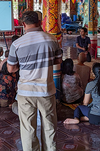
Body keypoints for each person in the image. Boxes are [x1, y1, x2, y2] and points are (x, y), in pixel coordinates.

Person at [7, 11, 62, 151]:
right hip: (46, 90)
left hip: (26, 92)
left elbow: (11, 69)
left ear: (23, 24)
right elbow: (58, 60)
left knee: (28, 129)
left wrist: (24, 64)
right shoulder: (51, 39)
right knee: (49, 127)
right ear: (39, 22)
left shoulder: (17, 44)